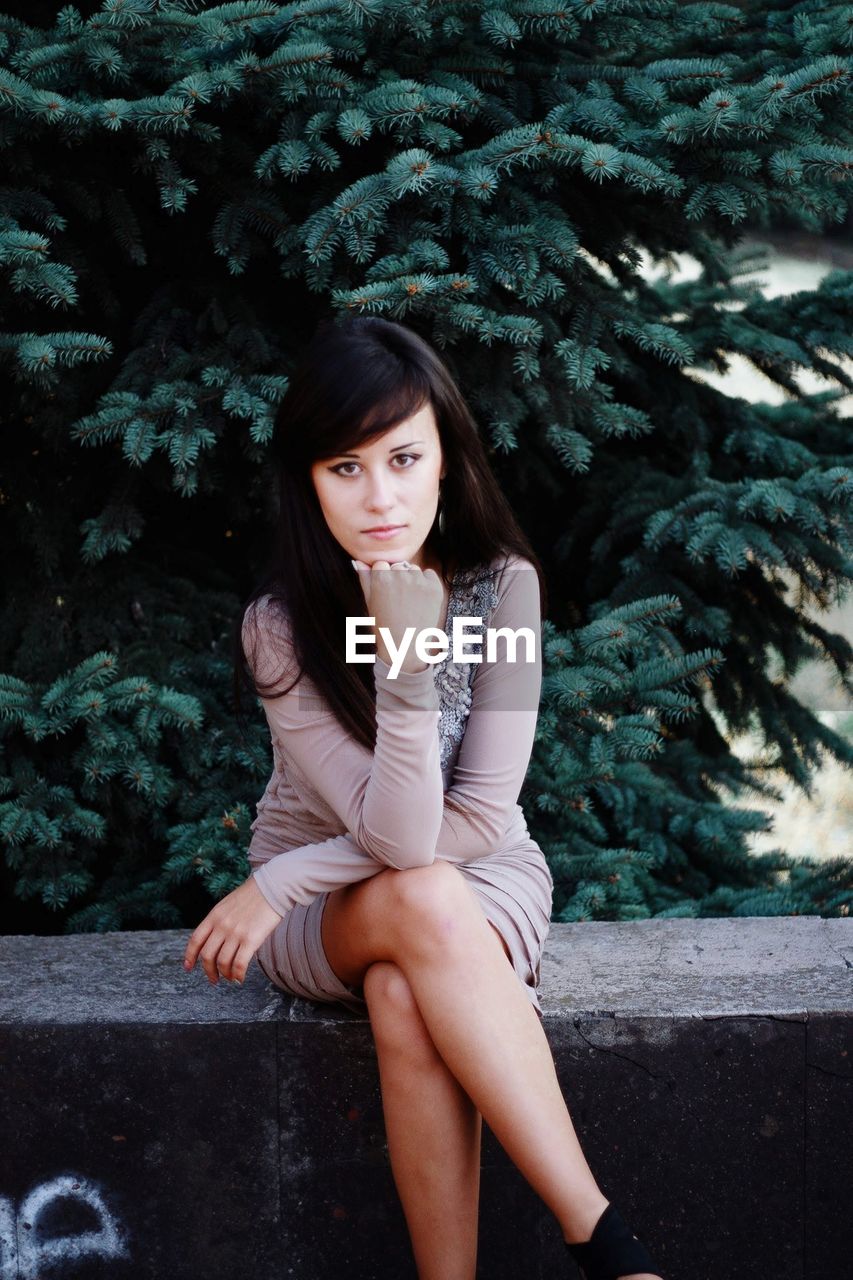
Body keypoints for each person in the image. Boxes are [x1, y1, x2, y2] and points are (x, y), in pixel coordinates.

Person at [183, 316, 665, 1280]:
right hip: (327, 922)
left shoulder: (506, 591)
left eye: (404, 457)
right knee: (420, 896)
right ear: (307, 482)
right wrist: (403, 657)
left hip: (476, 878)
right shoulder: (280, 627)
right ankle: (609, 1249)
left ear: (446, 456)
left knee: (410, 981)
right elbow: (399, 843)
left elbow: (481, 817)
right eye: (344, 468)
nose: (380, 497)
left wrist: (277, 879)